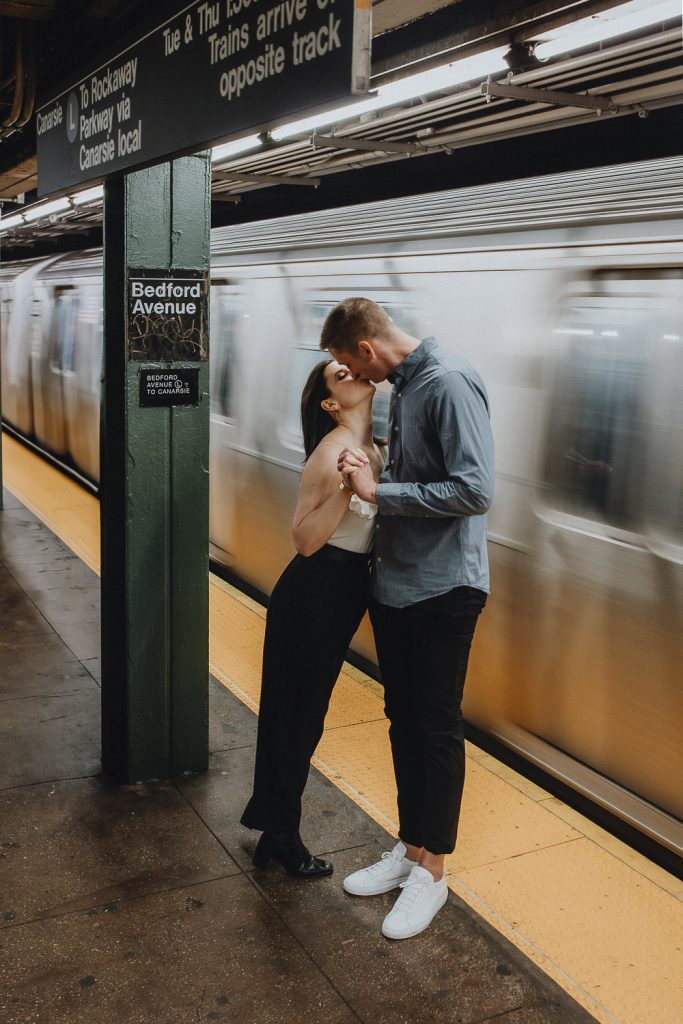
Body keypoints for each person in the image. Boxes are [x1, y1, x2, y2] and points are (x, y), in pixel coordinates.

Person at [321, 297, 494, 939]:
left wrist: (378, 492)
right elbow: (425, 470)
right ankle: (412, 846)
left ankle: (435, 874)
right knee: (402, 721)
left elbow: (474, 489)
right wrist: (379, 464)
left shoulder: (447, 382)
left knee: (436, 727)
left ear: (366, 350)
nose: (355, 379)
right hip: (397, 584)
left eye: (349, 366)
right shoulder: (406, 386)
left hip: (443, 588)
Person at [240, 357, 385, 878]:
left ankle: (273, 823)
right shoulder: (330, 455)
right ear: (330, 403)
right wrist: (348, 490)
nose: (355, 373)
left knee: (299, 715)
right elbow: (304, 540)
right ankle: (282, 837)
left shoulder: (372, 448)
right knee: (296, 718)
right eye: (341, 375)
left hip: (340, 591)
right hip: (315, 590)